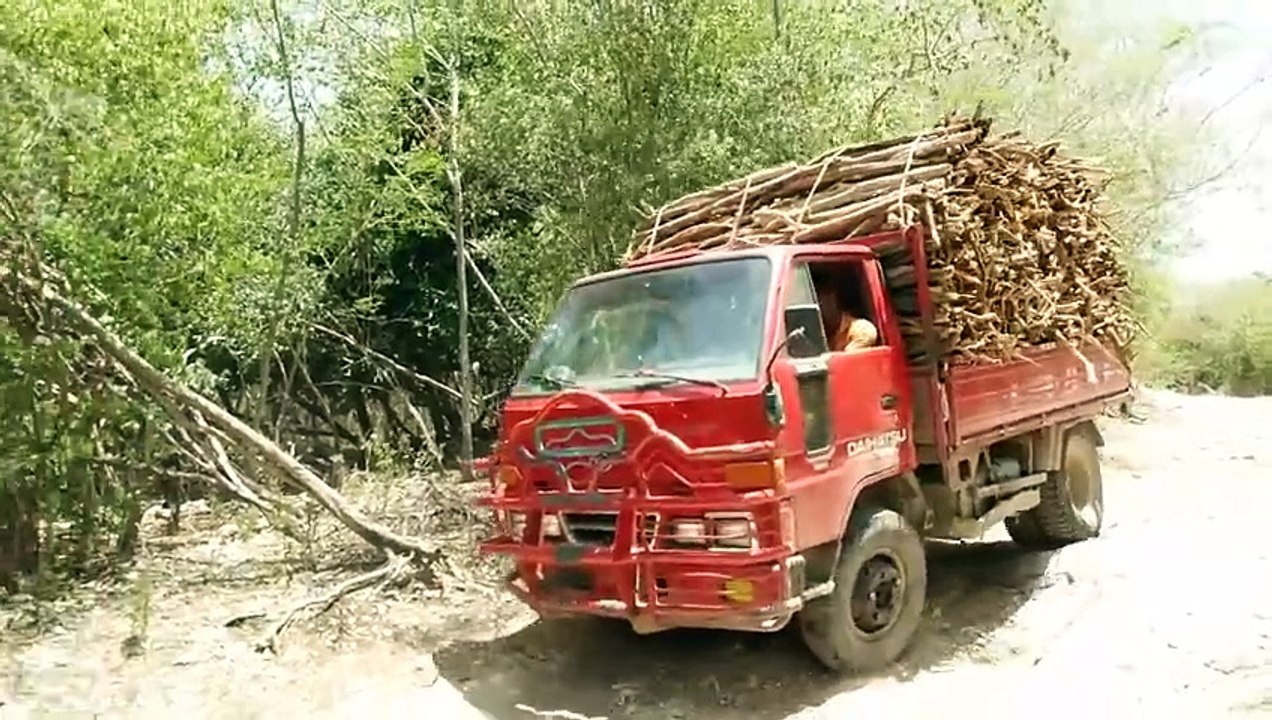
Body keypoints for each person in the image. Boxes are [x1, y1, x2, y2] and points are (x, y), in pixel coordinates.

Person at [816, 283, 879, 352]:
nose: (820, 309)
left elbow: (847, 359)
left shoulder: (860, 328)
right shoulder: (821, 334)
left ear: (834, 301)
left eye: (822, 302)